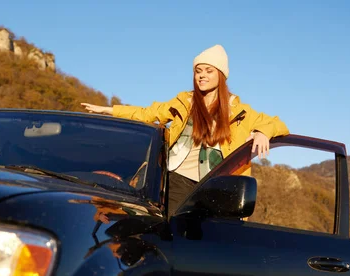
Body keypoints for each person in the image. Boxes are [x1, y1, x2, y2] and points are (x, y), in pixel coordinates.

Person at [81, 44, 289, 216]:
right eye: (198, 71)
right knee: (171, 229)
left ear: (221, 76)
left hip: (215, 186)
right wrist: (110, 110)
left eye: (208, 71)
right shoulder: (184, 101)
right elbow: (149, 113)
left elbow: (278, 124)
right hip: (176, 178)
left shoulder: (239, 110)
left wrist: (262, 132)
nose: (201, 76)